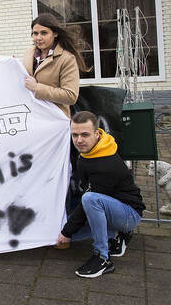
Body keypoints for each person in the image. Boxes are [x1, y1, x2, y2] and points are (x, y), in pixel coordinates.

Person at [56, 111, 145, 278]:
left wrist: (66, 232)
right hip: (115, 207)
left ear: (97, 133)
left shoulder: (105, 163)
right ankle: (119, 234)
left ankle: (102, 258)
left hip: (129, 214)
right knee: (64, 230)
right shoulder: (91, 151)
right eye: (74, 135)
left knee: (89, 200)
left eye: (85, 134)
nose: (79, 140)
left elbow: (90, 198)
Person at [22, 14, 87, 118]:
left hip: (55, 120)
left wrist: (37, 87)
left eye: (44, 33)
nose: (39, 38)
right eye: (35, 33)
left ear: (55, 33)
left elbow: (71, 96)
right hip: (32, 117)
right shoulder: (29, 53)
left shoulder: (66, 58)